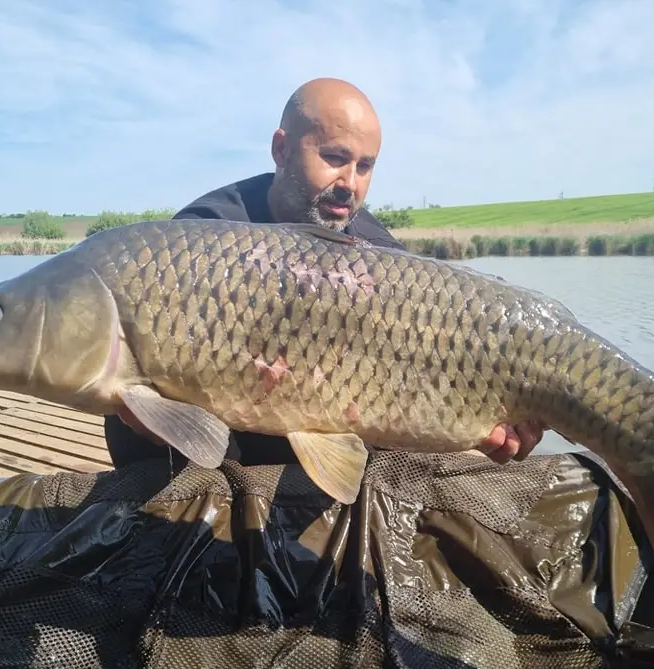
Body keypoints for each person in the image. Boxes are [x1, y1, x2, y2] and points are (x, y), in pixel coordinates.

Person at [104, 77, 546, 472]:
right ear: (281, 149)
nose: (350, 183)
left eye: (365, 166)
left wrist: (479, 422)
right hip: (223, 457)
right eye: (335, 157)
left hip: (334, 454)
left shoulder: (381, 253)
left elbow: (431, 381)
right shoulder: (197, 239)